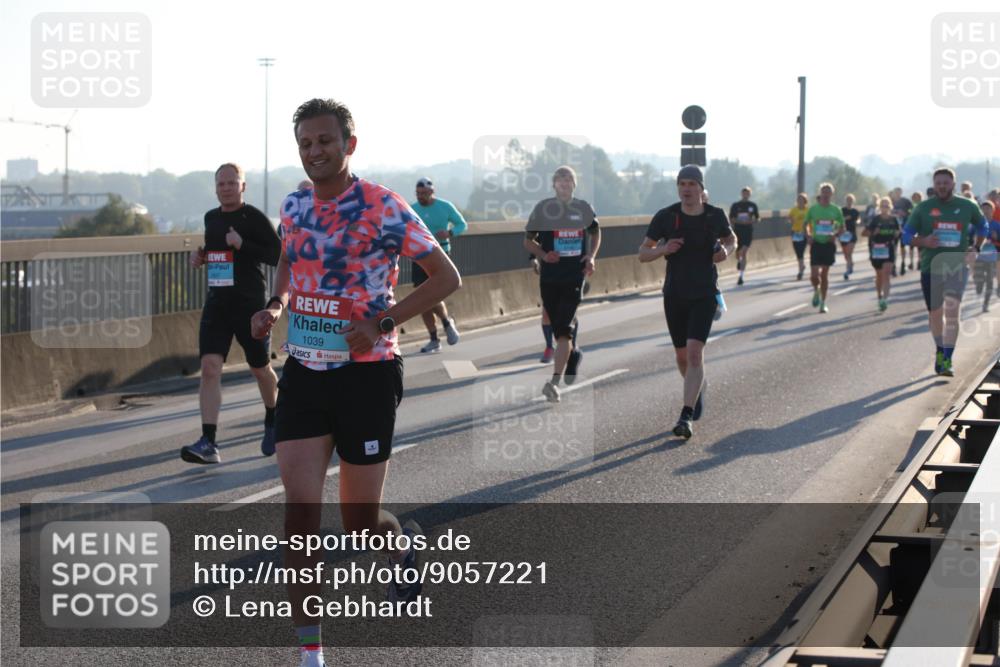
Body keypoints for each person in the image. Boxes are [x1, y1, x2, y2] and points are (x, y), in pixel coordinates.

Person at [250, 98, 460, 667]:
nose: (314, 151)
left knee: (361, 527)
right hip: (304, 373)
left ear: (349, 144)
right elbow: (291, 262)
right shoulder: (293, 204)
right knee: (299, 515)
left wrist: (382, 322)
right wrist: (276, 304)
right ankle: (312, 654)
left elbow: (447, 276)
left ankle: (400, 546)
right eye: (305, 143)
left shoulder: (383, 207)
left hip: (367, 377)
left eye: (324, 141)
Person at [180, 163, 282, 464]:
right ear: (215, 187)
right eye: (221, 183)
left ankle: (273, 418)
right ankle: (208, 442)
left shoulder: (254, 218)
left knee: (259, 368)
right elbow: (216, 252)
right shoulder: (211, 218)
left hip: (251, 305)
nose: (226, 187)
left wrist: (243, 244)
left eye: (231, 183)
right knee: (210, 368)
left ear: (243, 186)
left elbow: (278, 256)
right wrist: (200, 257)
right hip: (217, 304)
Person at [638, 165, 735, 439]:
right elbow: (643, 253)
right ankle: (697, 387)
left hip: (704, 293)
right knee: (681, 355)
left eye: (692, 183)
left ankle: (686, 415)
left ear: (701, 189)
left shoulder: (714, 215)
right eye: (682, 183)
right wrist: (663, 249)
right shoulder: (667, 217)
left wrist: (725, 252)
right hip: (675, 294)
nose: (687, 188)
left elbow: (731, 239)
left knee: (694, 353)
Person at [524, 166, 600, 402]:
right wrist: (544, 255)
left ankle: (554, 382)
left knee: (564, 330)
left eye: (569, 180)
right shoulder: (543, 209)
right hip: (549, 277)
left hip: (574, 276)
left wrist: (592, 256)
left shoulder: (583, 208)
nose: (565, 183)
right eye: (560, 180)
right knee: (559, 327)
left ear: (574, 184)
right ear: (554, 184)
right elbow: (528, 241)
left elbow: (596, 232)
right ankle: (573, 355)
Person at [902, 167, 988, 376]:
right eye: (938, 183)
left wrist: (976, 248)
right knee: (935, 313)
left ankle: (946, 358)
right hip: (931, 268)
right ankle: (940, 349)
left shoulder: (967, 206)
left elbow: (983, 226)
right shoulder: (923, 208)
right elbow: (905, 235)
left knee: (952, 312)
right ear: (934, 185)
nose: (941, 186)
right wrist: (923, 241)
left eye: (945, 183)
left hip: (957, 267)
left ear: (953, 184)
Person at [410, 177, 468, 353]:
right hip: (419, 256)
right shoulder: (412, 209)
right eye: (418, 194)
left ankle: (445, 322)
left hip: (441, 253)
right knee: (422, 297)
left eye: (424, 194)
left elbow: (462, 224)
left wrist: (450, 232)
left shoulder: (445, 206)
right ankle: (435, 337)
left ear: (431, 192)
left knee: (432, 294)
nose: (421, 197)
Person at [805, 183, 845, 313]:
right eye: (824, 191)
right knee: (814, 275)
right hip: (816, 243)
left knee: (825, 274)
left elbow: (842, 227)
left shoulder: (836, 210)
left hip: (828, 244)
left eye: (828, 192)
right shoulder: (813, 209)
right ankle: (816, 290)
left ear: (831, 194)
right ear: (820, 193)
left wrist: (836, 234)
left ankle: (823, 302)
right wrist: (808, 235)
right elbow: (805, 224)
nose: (826, 194)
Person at [862, 196, 901, 312]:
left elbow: (899, 233)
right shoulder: (875, 219)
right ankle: (879, 296)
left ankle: (885, 299)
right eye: (883, 206)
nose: (885, 208)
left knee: (886, 274)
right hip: (876, 250)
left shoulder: (894, 220)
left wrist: (897, 233)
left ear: (890, 207)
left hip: (889, 249)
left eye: (887, 206)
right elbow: (864, 233)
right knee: (879, 275)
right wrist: (874, 232)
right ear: (879, 207)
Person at [729, 186, 759, 286]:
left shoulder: (753, 205)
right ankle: (739, 261)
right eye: (744, 193)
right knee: (738, 253)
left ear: (749, 194)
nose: (745, 195)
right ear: (741, 194)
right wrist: (740, 221)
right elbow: (731, 218)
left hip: (748, 232)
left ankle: (741, 276)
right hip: (738, 231)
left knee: (744, 252)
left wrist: (750, 221)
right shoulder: (736, 205)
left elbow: (757, 218)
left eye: (747, 193)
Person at [973, 200, 999, 312]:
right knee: (979, 279)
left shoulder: (997, 225)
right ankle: (979, 285)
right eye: (983, 208)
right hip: (978, 257)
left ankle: (986, 304)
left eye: (988, 209)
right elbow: (969, 238)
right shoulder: (975, 225)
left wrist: (996, 238)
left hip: (992, 258)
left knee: (989, 281)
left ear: (993, 211)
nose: (986, 211)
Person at [891, 187, 914, 276]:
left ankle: (903, 262)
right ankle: (893, 266)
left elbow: (912, 211)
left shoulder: (906, 201)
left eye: (898, 192)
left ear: (901, 193)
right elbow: (887, 211)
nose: (897, 194)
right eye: (896, 192)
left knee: (902, 246)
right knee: (894, 247)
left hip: (904, 226)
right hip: (893, 227)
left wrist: (905, 213)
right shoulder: (891, 201)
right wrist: (894, 213)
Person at [788, 193, 810, 280]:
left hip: (804, 232)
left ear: (805, 201)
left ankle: (800, 271)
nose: (800, 201)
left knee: (801, 250)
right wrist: (791, 220)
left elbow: (810, 220)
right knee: (797, 252)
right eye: (798, 200)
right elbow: (789, 218)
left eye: (802, 200)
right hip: (795, 232)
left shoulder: (808, 210)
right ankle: (802, 265)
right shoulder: (794, 210)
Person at [839, 193, 860, 280]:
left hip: (852, 234)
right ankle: (850, 263)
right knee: (845, 253)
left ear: (853, 201)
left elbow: (858, 219)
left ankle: (848, 269)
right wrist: (844, 219)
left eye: (851, 200)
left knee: (849, 252)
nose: (849, 202)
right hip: (843, 234)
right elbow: (838, 219)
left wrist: (857, 222)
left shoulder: (855, 211)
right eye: (848, 200)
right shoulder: (841, 210)